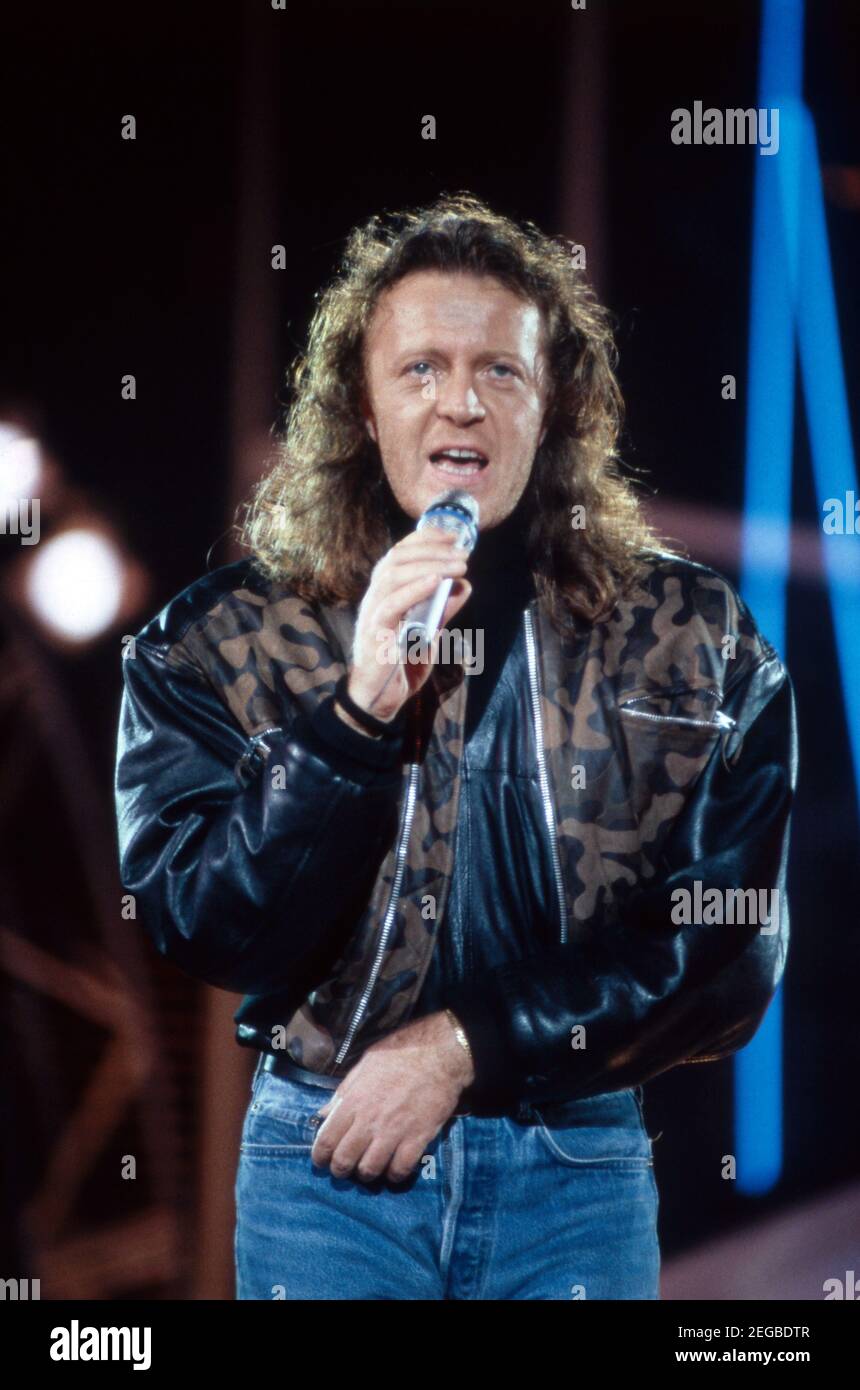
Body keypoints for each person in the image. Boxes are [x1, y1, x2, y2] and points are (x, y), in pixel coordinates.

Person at [114, 192, 797, 1300]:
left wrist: (462, 1042)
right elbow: (201, 918)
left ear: (553, 404)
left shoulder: (691, 637)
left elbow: (725, 960)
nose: (460, 404)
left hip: (572, 1173)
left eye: (500, 371)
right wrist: (355, 714)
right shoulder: (215, 639)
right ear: (361, 408)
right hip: (326, 1168)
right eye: (420, 369)